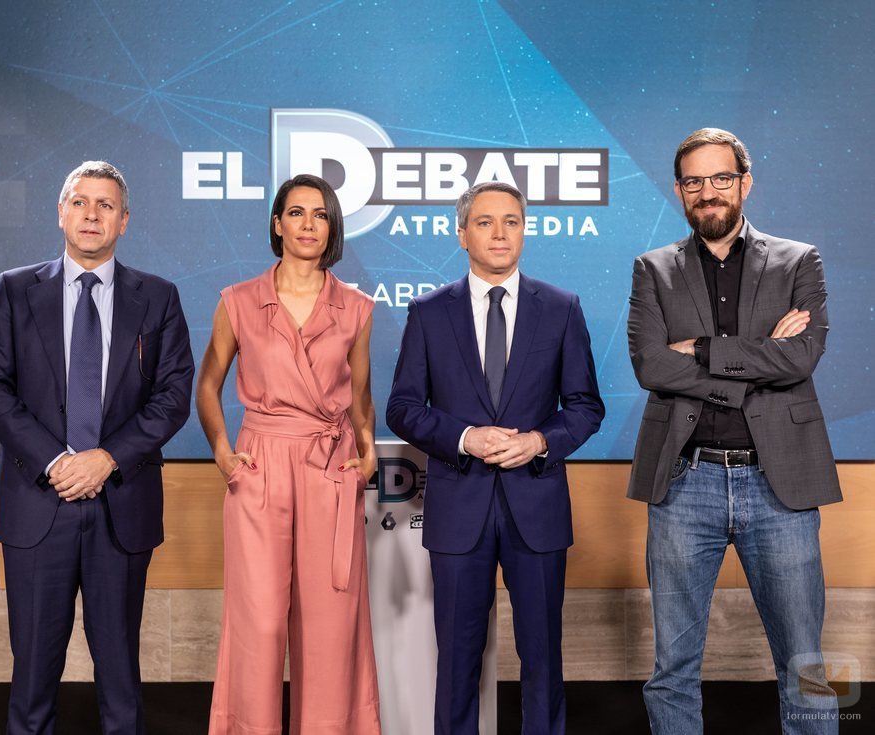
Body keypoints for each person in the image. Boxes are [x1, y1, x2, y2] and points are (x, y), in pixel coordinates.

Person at [627, 128, 841, 733]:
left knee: (806, 665)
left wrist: (700, 349)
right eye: (694, 182)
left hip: (780, 484)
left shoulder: (799, 261)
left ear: (745, 184)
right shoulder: (654, 269)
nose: (708, 192)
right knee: (672, 668)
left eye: (721, 178)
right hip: (684, 481)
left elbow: (800, 359)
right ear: (679, 191)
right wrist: (751, 363)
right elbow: (650, 365)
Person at [0, 160, 195, 734]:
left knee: (121, 679)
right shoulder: (16, 290)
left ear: (125, 220)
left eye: (105, 205)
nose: (91, 214)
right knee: (32, 679)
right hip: (35, 507)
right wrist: (56, 462)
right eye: (80, 202)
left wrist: (106, 459)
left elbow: (172, 399)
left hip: (121, 507)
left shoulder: (160, 298)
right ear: (61, 212)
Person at [386, 181, 604, 735]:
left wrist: (538, 441)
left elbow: (584, 406)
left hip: (537, 505)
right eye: (485, 222)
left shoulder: (560, 308)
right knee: (457, 659)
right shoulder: (430, 313)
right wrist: (465, 438)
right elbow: (403, 408)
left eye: (512, 221)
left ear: (525, 230)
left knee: (542, 656)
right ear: (462, 234)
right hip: (460, 509)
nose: (500, 233)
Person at [197, 174, 381, 735]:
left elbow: (362, 395)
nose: (308, 224)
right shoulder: (238, 301)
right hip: (260, 464)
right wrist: (224, 455)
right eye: (296, 213)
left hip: (330, 465)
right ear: (276, 224)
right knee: (258, 623)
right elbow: (207, 384)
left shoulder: (356, 307)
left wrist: (368, 453)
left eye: (320, 214)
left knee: (330, 624)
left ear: (332, 228)